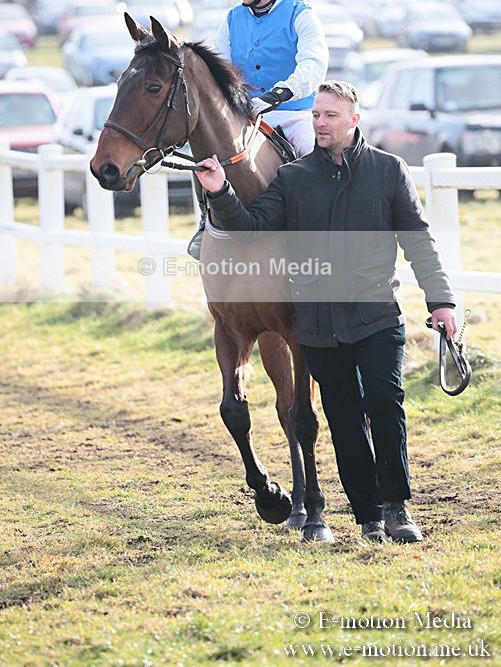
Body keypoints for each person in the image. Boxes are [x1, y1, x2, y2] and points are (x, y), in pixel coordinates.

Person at [194, 79, 458, 544]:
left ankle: (397, 508)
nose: (319, 123)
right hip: (319, 325)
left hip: (376, 312)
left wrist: (441, 302)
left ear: (354, 120)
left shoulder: (388, 171)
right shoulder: (294, 178)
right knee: (343, 416)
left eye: (329, 116)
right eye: (315, 115)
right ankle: (369, 517)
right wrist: (219, 193)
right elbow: (252, 228)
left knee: (385, 403)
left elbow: (418, 240)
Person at [187, 0, 328, 260]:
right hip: (246, 116)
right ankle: (206, 223)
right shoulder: (233, 19)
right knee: (205, 153)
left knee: (316, 156)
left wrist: (277, 95)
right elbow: (215, 71)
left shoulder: (301, 13)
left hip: (292, 115)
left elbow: (313, 64)